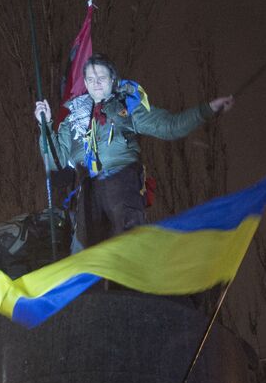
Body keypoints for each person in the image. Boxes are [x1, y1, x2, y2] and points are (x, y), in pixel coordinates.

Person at [34, 54, 234, 248]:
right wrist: (46, 126)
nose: (96, 83)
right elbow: (55, 162)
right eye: (91, 79)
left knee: (125, 240)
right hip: (89, 192)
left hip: (121, 181)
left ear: (113, 80)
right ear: (85, 83)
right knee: (86, 250)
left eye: (102, 78)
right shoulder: (72, 121)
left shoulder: (125, 107)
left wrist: (207, 109)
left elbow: (169, 126)